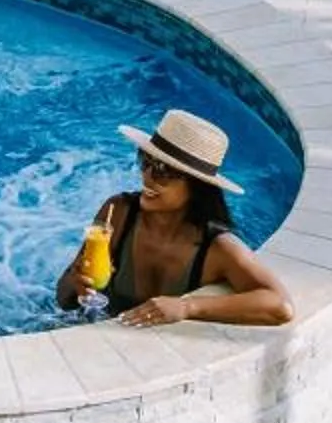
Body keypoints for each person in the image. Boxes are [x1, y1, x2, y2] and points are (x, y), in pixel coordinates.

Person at [56, 108, 294, 329]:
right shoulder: (118, 212)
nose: (148, 177)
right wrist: (75, 283)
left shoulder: (217, 248)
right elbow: (63, 299)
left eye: (163, 170)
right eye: (146, 162)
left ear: (197, 187)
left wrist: (188, 307)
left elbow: (280, 306)